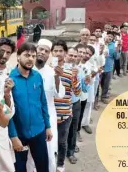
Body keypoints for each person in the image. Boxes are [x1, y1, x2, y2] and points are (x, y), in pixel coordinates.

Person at [8, 42, 52, 172]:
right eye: (27, 55)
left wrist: (48, 126)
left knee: (43, 166)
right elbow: (7, 110)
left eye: (33, 56)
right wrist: (13, 136)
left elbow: (43, 103)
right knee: (20, 168)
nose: (30, 59)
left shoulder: (37, 76)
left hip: (39, 131)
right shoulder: (10, 79)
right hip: (19, 134)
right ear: (18, 56)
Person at [27, 39, 65, 172]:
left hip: (48, 117)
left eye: (46, 51)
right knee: (30, 153)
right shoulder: (26, 70)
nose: (42, 53)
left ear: (49, 55)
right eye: (40, 49)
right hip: (30, 117)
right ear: (35, 50)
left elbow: (59, 95)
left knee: (48, 150)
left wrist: (57, 78)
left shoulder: (52, 72)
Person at [52, 40, 89, 171]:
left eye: (60, 51)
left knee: (62, 142)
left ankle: (60, 165)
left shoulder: (72, 71)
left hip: (65, 113)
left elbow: (78, 92)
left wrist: (74, 77)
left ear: (65, 53)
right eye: (55, 51)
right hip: (49, 113)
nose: (57, 53)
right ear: (52, 52)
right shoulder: (47, 69)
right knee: (50, 142)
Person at [101, 31, 120, 104]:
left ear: (113, 39)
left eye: (111, 37)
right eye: (108, 36)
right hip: (100, 67)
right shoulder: (101, 43)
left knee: (106, 83)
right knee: (100, 83)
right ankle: (96, 98)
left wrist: (117, 51)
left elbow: (117, 57)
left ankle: (104, 96)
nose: (109, 37)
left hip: (109, 67)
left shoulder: (114, 46)